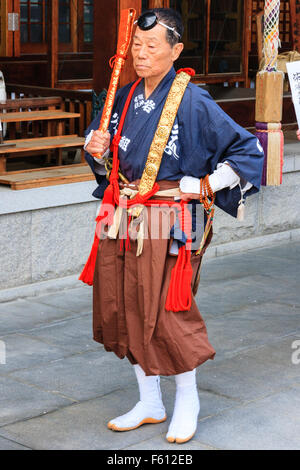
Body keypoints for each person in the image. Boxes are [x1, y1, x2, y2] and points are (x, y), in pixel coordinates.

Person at [83, 8, 265, 444]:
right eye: (137, 47)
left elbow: (248, 150)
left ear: (176, 50)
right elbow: (105, 158)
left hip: (172, 218)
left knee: (165, 310)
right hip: (122, 216)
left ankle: (188, 399)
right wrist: (96, 148)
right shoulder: (124, 96)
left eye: (151, 47)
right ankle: (150, 401)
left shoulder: (192, 99)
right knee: (123, 305)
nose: (141, 56)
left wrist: (203, 182)